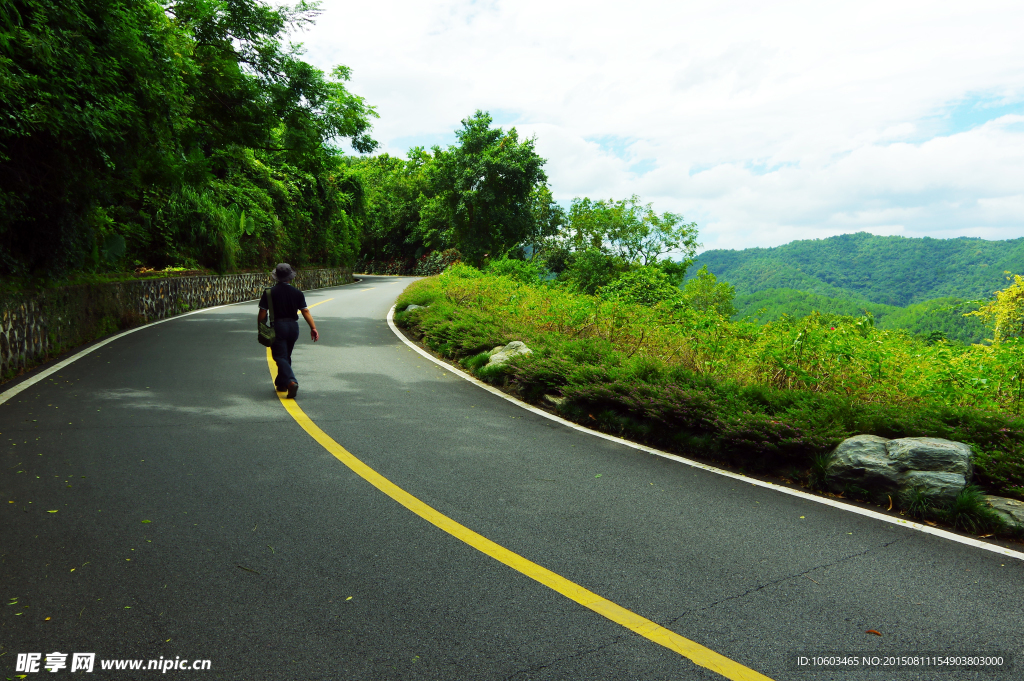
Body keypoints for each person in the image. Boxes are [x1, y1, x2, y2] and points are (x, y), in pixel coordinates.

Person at [258, 263, 319, 398]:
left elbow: (263, 311)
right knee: (285, 356)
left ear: (276, 277)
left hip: (278, 327)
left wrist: (260, 327)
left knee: (279, 356)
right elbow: (305, 311)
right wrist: (313, 328)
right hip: (293, 327)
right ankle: (281, 383)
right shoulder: (297, 293)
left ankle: (291, 382)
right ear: (290, 277)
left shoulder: (269, 293)